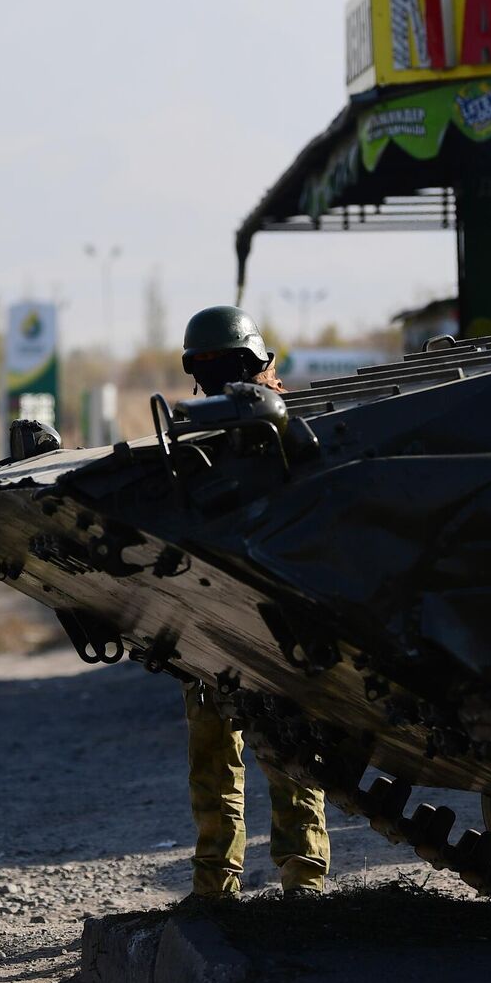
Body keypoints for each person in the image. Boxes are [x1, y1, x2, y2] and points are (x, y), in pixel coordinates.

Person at [176, 305, 331, 898]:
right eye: (208, 367)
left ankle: (304, 879)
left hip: (277, 621)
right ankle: (215, 885)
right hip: (206, 622)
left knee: (292, 755)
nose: (220, 378)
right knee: (212, 761)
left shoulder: (294, 429)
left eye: (231, 364)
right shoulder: (191, 436)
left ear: (258, 364)